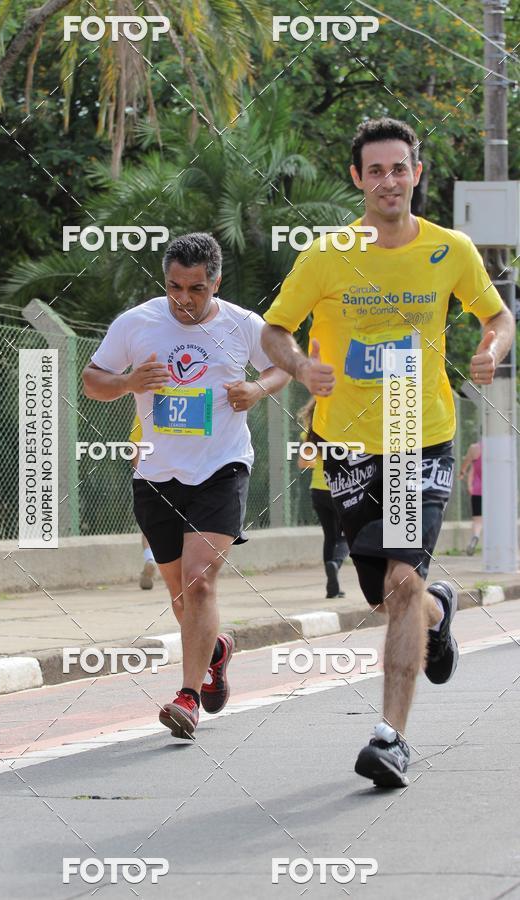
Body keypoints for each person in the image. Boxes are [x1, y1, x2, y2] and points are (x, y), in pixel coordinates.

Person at [262, 117, 515, 787]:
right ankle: (439, 610)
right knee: (386, 594)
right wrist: (300, 367)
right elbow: (275, 330)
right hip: (344, 440)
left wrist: (490, 350)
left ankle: (390, 738)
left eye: (399, 168)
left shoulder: (450, 248)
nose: (388, 181)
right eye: (375, 170)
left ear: (416, 173)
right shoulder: (326, 254)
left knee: (401, 583)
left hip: (418, 427)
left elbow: (498, 317)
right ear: (358, 179)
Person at [83, 232, 290, 739]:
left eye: (195, 289)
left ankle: (187, 696)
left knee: (201, 582)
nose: (183, 299)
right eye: (174, 286)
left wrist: (255, 389)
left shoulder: (243, 325)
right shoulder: (137, 323)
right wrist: (129, 383)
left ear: (215, 282)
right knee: (180, 598)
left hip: (221, 468)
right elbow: (92, 379)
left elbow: (283, 365)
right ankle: (215, 650)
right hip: (156, 474)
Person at [297, 398, 349, 597]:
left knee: (330, 536)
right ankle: (335, 563)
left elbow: (304, 463)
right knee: (347, 535)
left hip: (318, 490)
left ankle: (331, 587)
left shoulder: (310, 434)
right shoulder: (345, 431)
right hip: (340, 488)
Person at [129, 413, 158, 589]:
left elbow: (134, 444)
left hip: (150, 473)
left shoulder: (145, 411)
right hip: (180, 474)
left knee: (148, 525)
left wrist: (139, 471)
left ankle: (149, 558)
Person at [459, 440, 482, 555]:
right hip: (495, 492)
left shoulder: (474, 448)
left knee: (477, 520)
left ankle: (476, 536)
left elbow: (468, 464)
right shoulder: (499, 447)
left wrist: (462, 472)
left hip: (478, 491)